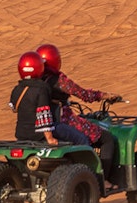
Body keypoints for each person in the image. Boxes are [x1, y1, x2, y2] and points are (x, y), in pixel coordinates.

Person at [36, 44, 120, 185]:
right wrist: (105, 95)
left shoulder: (36, 81)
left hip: (42, 124)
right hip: (64, 121)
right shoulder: (59, 80)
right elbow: (84, 94)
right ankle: (102, 179)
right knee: (106, 138)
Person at [10, 51, 59, 145]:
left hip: (21, 135)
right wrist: (50, 139)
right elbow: (44, 115)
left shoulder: (17, 89)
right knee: (78, 136)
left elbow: (14, 108)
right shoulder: (41, 89)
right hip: (38, 136)